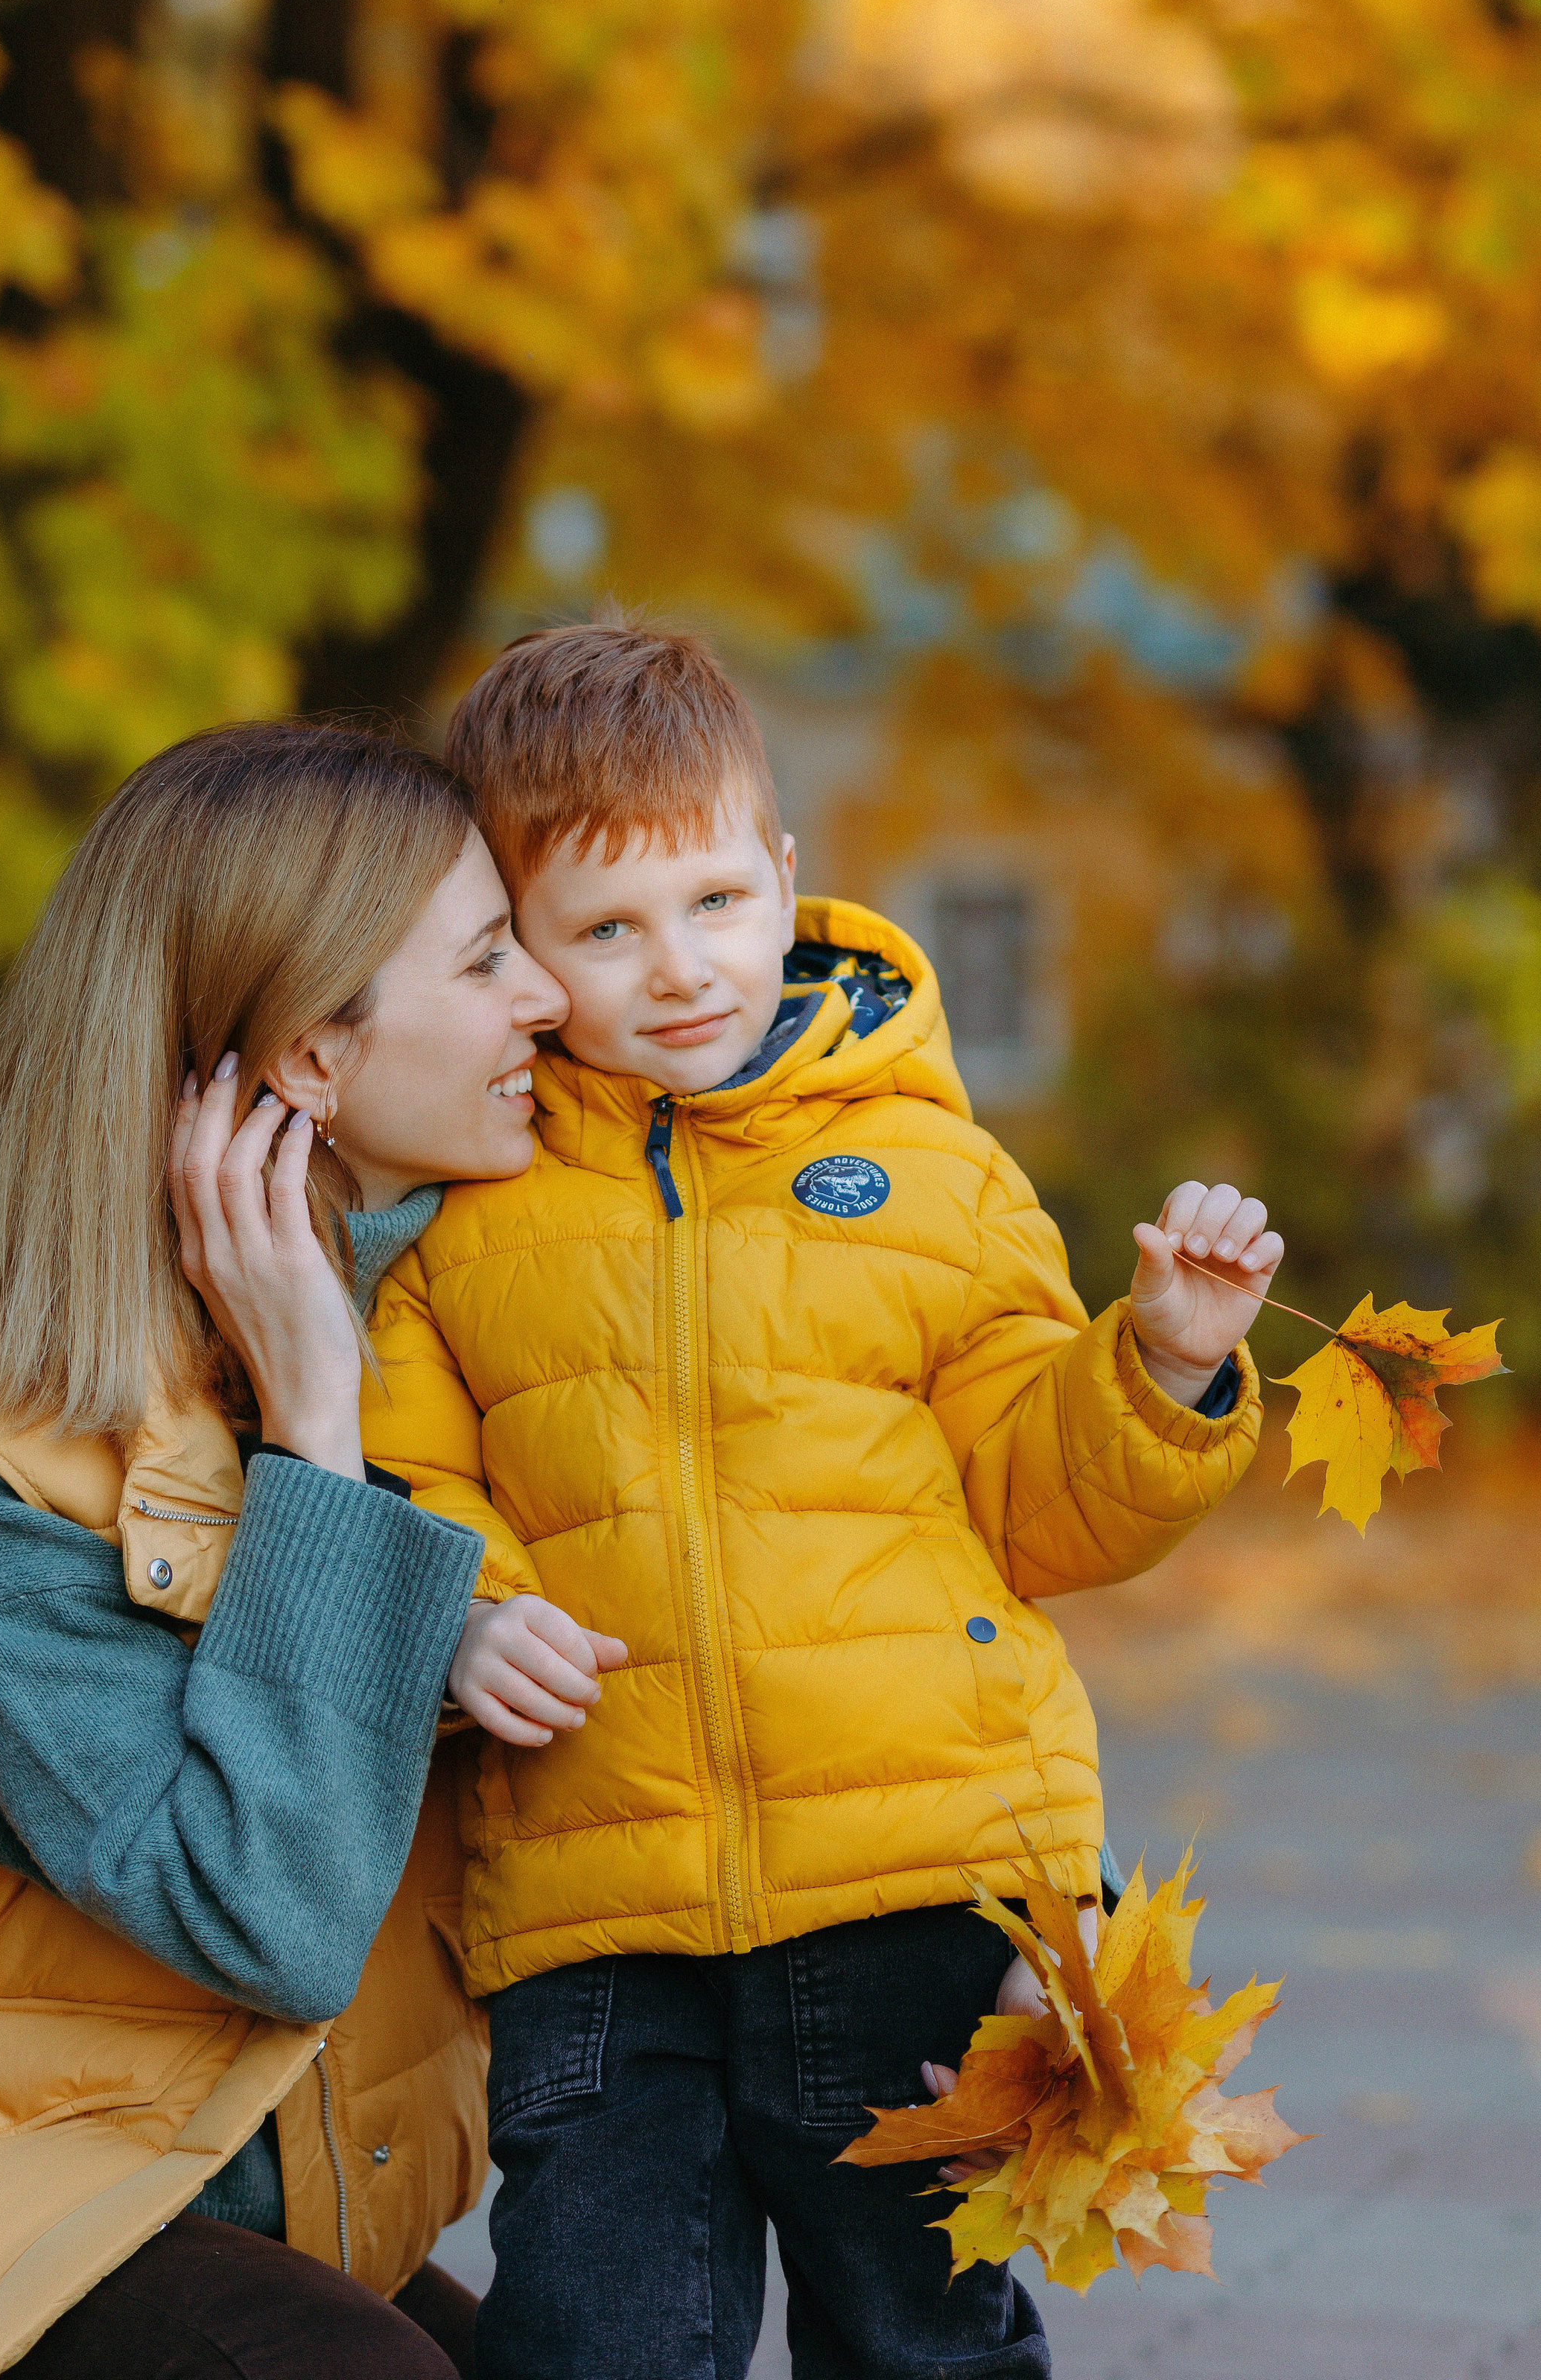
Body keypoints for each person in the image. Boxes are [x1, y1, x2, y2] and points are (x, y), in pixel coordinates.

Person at [360, 621, 1285, 2380]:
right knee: (594, 2340)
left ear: (781, 871)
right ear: (517, 950)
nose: (679, 967)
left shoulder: (932, 1170)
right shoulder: (470, 1200)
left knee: (917, 2338)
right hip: (596, 1903)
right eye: (603, 929)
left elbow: (1041, 1510)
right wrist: (462, 1612)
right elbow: (409, 1466)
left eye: (713, 900)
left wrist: (1157, 1371)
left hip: (911, 1877)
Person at [0, 722, 568, 2380]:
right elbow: (268, 1914)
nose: (545, 999)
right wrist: (315, 1436)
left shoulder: (451, 1315)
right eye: (488, 957)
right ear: (303, 1058)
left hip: (206, 2190)